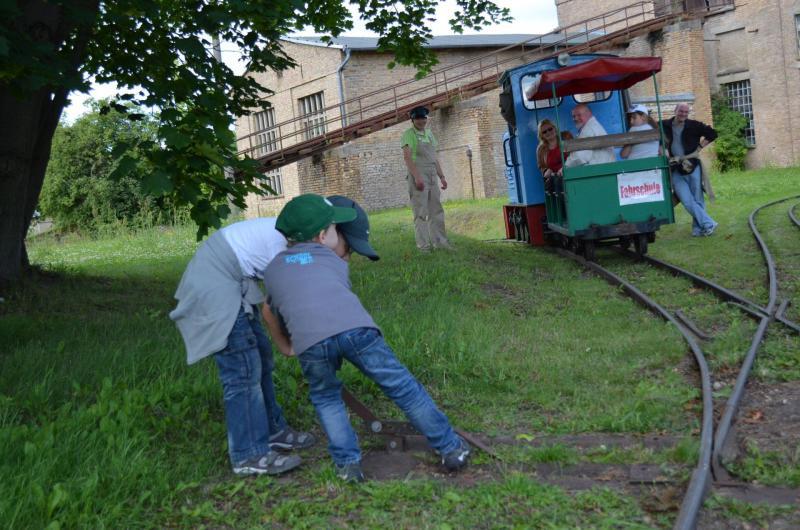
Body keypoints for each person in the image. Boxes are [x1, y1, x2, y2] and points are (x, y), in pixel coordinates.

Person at [262, 194, 470, 483]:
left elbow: (270, 311)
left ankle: (348, 466)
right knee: (402, 387)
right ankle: (451, 448)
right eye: (335, 228)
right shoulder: (333, 259)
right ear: (323, 236)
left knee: (326, 398)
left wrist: (286, 346)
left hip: (310, 342)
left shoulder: (272, 269)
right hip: (355, 329)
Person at [169, 217, 315, 476]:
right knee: (243, 370)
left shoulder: (294, 238)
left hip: (234, 278)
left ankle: (273, 431)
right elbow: (276, 304)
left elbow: (300, 273)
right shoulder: (278, 248)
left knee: (260, 355)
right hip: (215, 282)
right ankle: (249, 454)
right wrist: (291, 340)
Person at [661, 103, 718, 237]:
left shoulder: (694, 125)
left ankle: (699, 229)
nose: (683, 114)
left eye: (686, 112)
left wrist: (699, 147)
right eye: (681, 111)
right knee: (686, 200)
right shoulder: (665, 125)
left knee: (698, 198)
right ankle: (709, 223)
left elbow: (713, 133)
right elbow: (653, 131)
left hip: (692, 165)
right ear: (675, 111)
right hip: (674, 167)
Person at [401, 106, 452, 252]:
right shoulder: (408, 135)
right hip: (418, 174)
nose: (421, 121)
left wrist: (441, 177)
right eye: (417, 118)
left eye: (423, 118)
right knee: (421, 213)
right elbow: (407, 157)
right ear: (412, 120)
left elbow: (434, 158)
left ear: (426, 119)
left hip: (431, 175)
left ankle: (441, 243)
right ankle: (423, 247)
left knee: (436, 210)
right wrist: (417, 177)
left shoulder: (429, 134)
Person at [562, 103, 615, 171]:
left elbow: (580, 156)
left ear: (589, 114)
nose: (575, 118)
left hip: (600, 171)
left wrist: (565, 167)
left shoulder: (589, 129)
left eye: (579, 115)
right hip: (605, 168)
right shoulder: (592, 126)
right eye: (573, 116)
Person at [536, 119, 573, 192]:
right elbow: (541, 166)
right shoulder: (541, 149)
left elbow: (575, 154)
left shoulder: (566, 137)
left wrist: (565, 168)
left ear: (554, 128)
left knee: (561, 181)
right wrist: (546, 171)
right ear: (541, 135)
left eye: (550, 129)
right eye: (544, 132)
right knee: (555, 182)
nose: (548, 132)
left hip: (569, 171)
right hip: (554, 177)